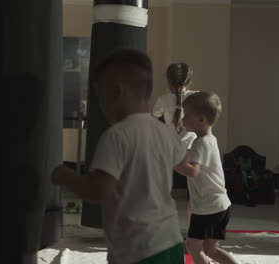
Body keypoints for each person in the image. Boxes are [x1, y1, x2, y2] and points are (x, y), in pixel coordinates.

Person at [51, 49, 186, 264]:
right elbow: (182, 162)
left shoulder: (116, 135)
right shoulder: (165, 132)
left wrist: (62, 175)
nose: (100, 104)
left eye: (99, 96)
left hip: (139, 250)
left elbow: (98, 190)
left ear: (116, 91)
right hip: (172, 242)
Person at [174, 92, 239, 264]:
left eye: (186, 115)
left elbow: (193, 171)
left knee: (192, 247)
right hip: (220, 205)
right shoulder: (209, 140)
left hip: (207, 209)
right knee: (210, 249)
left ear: (201, 119)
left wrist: (172, 163)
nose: (183, 119)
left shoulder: (201, 143)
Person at [152, 62, 198, 229]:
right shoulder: (197, 97)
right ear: (189, 80)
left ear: (168, 82)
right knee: (196, 196)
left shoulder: (162, 100)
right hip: (193, 149)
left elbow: (155, 121)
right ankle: (194, 234)